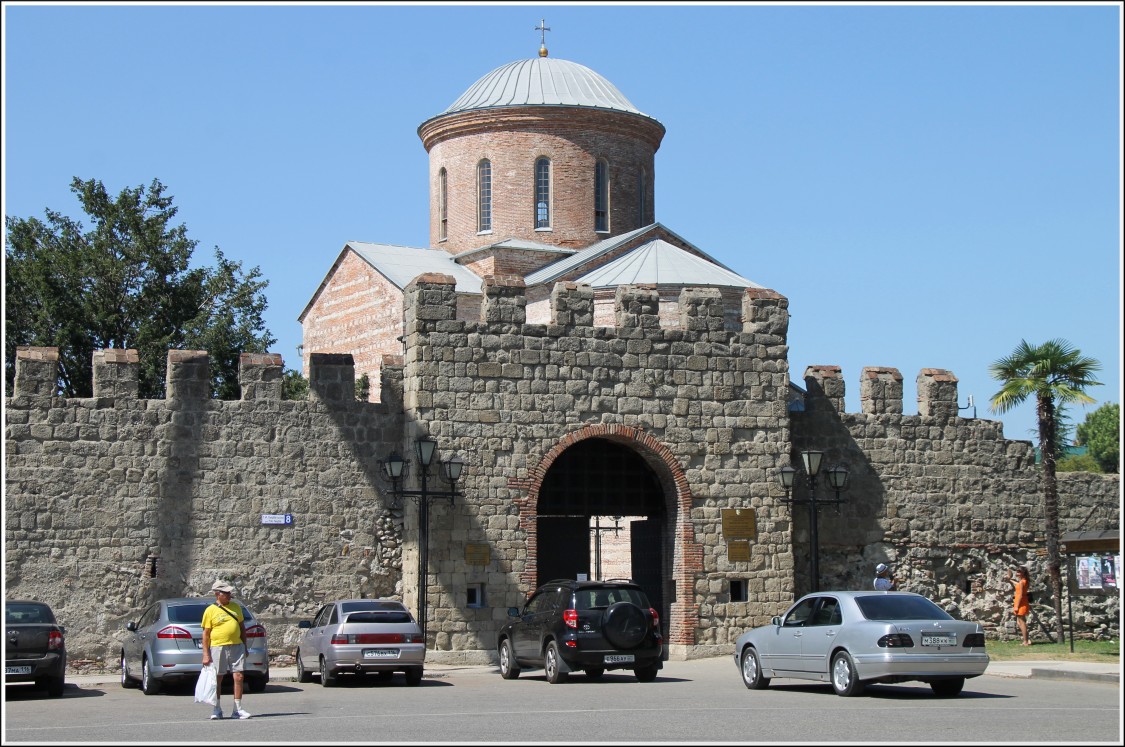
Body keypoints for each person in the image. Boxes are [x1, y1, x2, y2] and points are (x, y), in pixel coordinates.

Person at [201, 579, 252, 719]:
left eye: (229, 592)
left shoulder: (236, 607)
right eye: (226, 593)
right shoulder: (210, 610)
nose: (229, 595)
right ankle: (216, 708)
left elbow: (242, 628)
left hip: (236, 646)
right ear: (217, 594)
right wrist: (206, 654)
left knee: (239, 676)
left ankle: (238, 709)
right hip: (218, 646)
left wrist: (244, 646)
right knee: (217, 678)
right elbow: (206, 634)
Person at [1006, 566, 1031, 646]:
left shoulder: (1022, 582)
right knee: (1019, 622)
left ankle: (1026, 641)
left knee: (1022, 622)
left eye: (1019, 572)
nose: (1017, 573)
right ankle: (1026, 639)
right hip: (1023, 602)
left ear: (1022, 573)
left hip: (1020, 603)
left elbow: (1020, 595)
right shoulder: (1024, 581)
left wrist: (1016, 606)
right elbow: (1018, 585)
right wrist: (1010, 580)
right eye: (1017, 572)